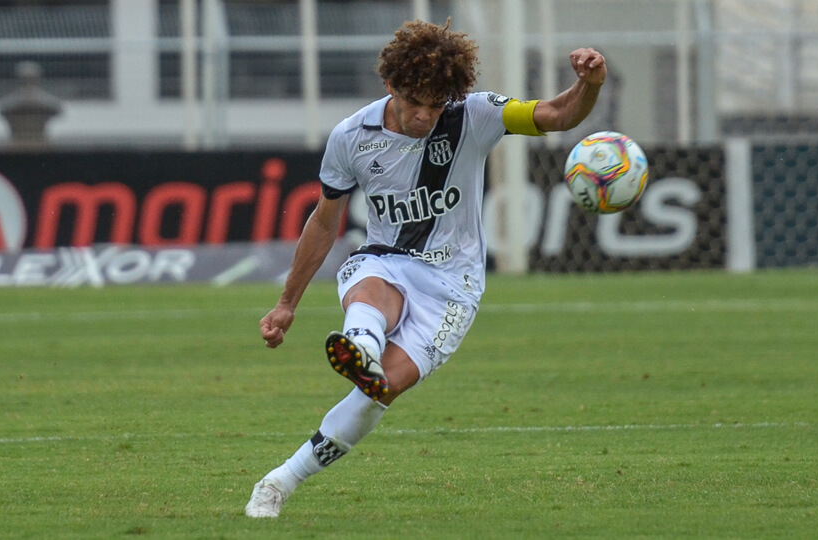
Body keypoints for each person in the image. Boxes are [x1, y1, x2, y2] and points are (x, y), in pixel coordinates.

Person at [247, 19, 606, 518]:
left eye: (436, 105)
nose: (424, 116)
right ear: (390, 85)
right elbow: (325, 223)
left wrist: (588, 84)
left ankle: (281, 479)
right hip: (385, 261)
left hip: (453, 288)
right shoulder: (351, 136)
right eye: (415, 101)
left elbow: (559, 115)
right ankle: (362, 346)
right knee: (373, 291)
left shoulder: (475, 115)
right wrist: (287, 303)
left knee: (378, 394)